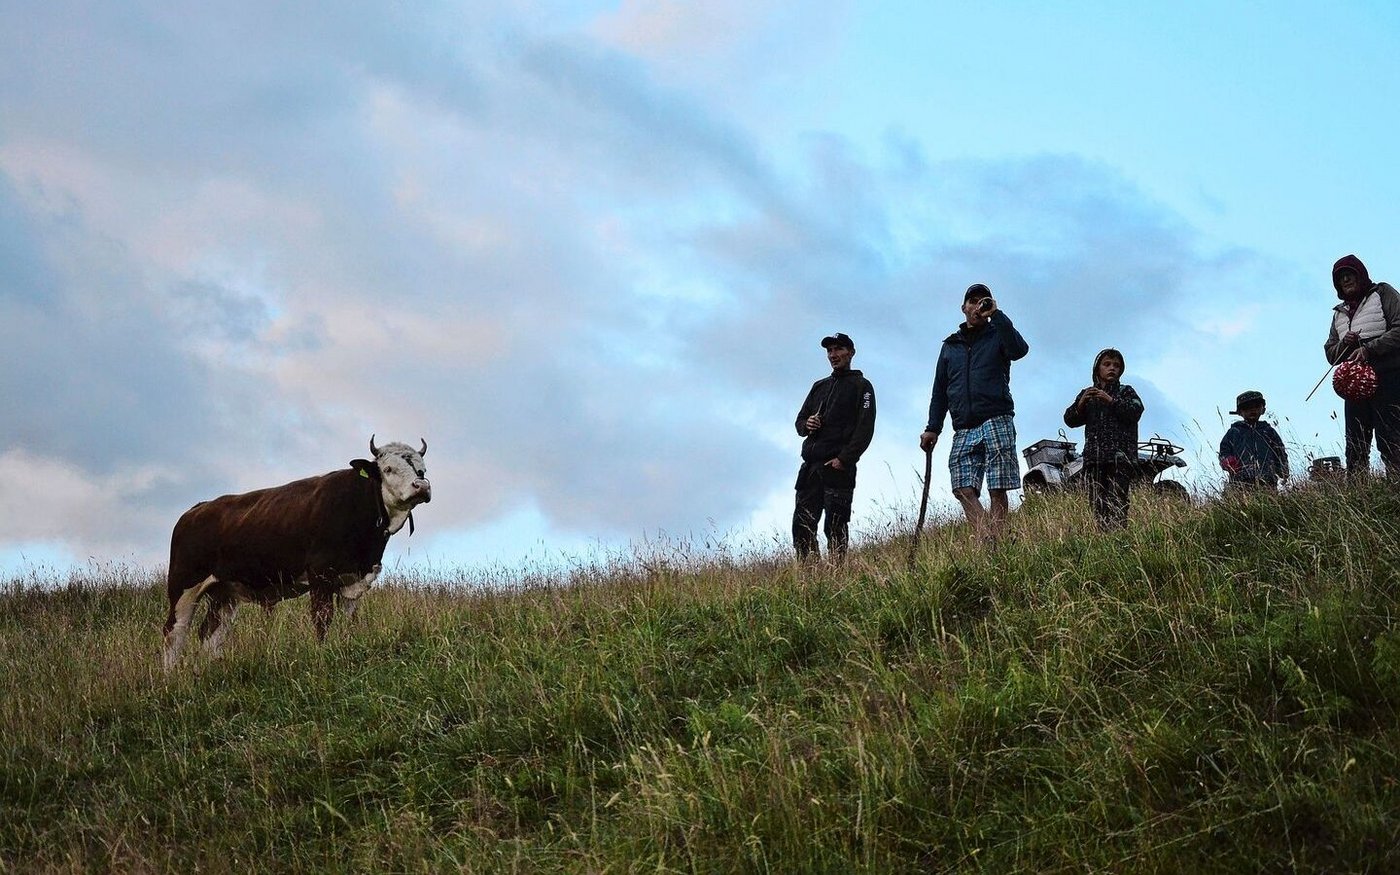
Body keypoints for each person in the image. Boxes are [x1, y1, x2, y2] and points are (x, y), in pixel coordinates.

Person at [919, 284, 1030, 543]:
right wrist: (933, 427)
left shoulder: (998, 333)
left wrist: (998, 315)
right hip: (964, 425)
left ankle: (998, 539)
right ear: (964, 308)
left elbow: (1019, 350)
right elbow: (940, 389)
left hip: (996, 415)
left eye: (983, 301)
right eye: (973, 301)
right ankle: (987, 537)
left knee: (998, 483)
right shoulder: (950, 346)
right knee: (961, 486)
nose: (977, 306)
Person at [792, 332, 876, 562]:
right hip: (810, 468)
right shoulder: (819, 386)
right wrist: (807, 424)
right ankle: (810, 577)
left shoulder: (862, 387)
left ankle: (838, 575)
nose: (833, 355)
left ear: (851, 352)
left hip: (838, 467)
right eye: (829, 351)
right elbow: (799, 422)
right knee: (802, 524)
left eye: (838, 349)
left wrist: (844, 460)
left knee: (836, 526)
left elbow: (865, 429)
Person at [1323, 254, 1400, 477]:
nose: (1346, 280)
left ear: (1361, 275)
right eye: (1341, 278)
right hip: (1355, 383)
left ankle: (1395, 484)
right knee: (1356, 441)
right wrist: (1344, 345)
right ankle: (1358, 491)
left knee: (1391, 435)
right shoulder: (1339, 313)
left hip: (1389, 374)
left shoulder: (1383, 293)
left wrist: (1369, 348)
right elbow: (1330, 353)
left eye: (1350, 275)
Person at [1063, 348, 1143, 530]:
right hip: (1094, 459)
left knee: (1118, 501)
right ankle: (1103, 539)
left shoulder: (1126, 391)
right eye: (1107, 364)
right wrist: (1081, 403)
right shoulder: (1088, 394)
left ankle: (1118, 538)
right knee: (1097, 504)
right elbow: (1069, 420)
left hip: (1120, 458)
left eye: (1116, 365)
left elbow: (1135, 412)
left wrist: (1111, 400)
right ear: (1097, 368)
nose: (1112, 368)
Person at [1218, 390, 1289, 492]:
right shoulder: (1234, 432)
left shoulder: (1268, 431)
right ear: (1239, 412)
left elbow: (1280, 452)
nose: (1252, 410)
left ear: (1263, 409)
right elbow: (1224, 452)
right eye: (1247, 407)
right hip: (1240, 482)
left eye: (1256, 406)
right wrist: (1228, 462)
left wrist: (1283, 471)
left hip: (1268, 481)